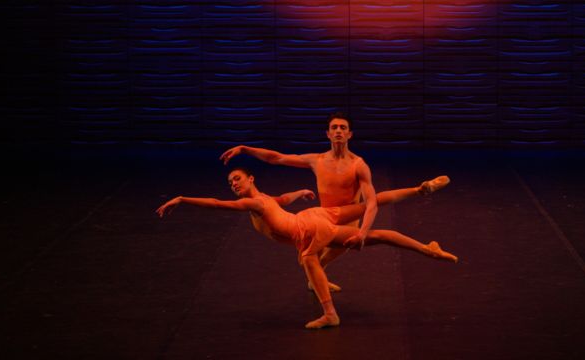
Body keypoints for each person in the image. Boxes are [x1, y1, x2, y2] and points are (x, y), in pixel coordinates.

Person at [156, 168, 456, 329]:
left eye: (237, 178)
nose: (233, 183)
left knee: (308, 259)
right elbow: (283, 200)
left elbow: (218, 205)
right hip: (315, 218)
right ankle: (423, 213)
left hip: (308, 228)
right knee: (370, 219)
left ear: (251, 179)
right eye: (230, 181)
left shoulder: (253, 202)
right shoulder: (265, 200)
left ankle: (329, 314)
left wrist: (183, 199)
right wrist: (299, 192)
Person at [220, 113, 420, 291]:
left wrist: (362, 232)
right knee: (311, 259)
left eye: (343, 128)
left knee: (319, 257)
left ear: (350, 134)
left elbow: (372, 203)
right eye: (334, 128)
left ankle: (419, 189)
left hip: (348, 218)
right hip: (326, 217)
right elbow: (277, 158)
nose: (339, 131)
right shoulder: (317, 160)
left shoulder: (359, 165)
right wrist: (245, 149)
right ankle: (320, 289)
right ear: (328, 134)